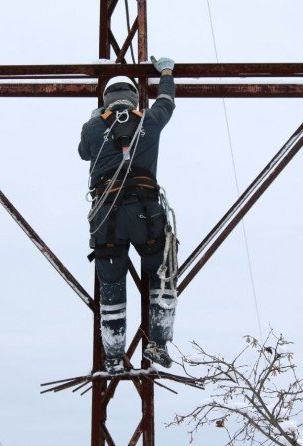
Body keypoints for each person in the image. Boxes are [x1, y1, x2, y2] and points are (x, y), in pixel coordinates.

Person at [78, 57, 177, 374]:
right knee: (162, 271)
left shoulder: (94, 127)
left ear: (106, 100)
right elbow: (166, 102)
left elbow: (83, 153)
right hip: (145, 212)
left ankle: (112, 356)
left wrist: (96, 120)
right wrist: (165, 72)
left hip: (107, 216)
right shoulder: (150, 121)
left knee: (111, 285)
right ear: (135, 99)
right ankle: (158, 344)